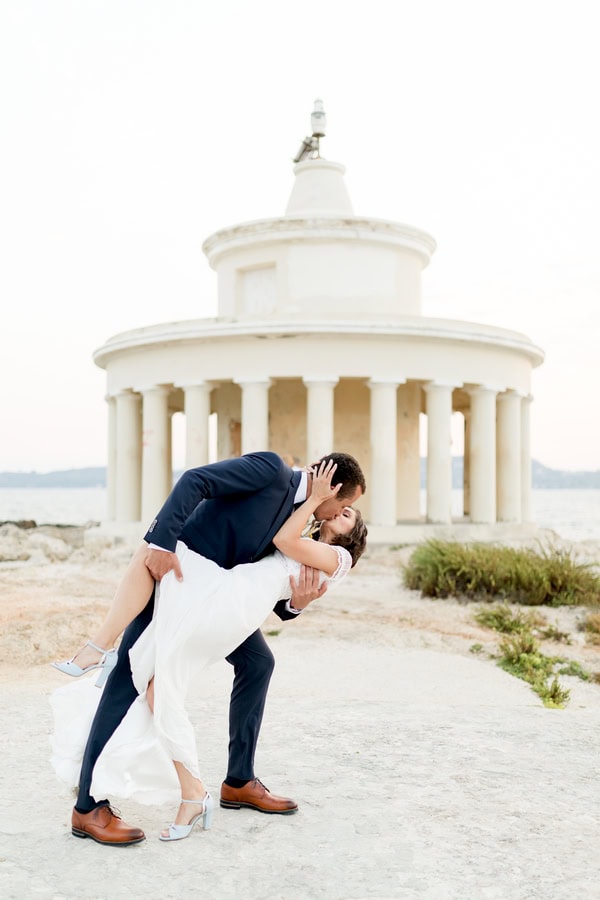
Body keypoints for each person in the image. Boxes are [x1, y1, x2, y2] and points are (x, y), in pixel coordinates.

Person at [53, 451, 366, 846]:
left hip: (221, 598)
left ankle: (238, 781)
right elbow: (195, 481)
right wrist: (163, 544)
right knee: (131, 677)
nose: (341, 511)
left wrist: (296, 604)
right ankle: (87, 808)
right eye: (346, 504)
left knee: (258, 662)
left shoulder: (301, 522)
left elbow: (275, 582)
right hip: (184, 579)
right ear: (333, 488)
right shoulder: (272, 471)